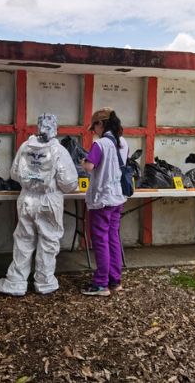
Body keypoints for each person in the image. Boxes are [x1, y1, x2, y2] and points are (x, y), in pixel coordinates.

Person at [0, 113, 79, 296]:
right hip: (49, 200)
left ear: (37, 126)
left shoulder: (25, 147)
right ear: (55, 128)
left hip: (27, 199)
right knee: (48, 241)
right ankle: (45, 282)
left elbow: (15, 173)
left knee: (24, 240)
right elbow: (69, 182)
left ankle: (16, 283)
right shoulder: (58, 151)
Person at [80, 108, 128, 296]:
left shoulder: (100, 145)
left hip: (102, 200)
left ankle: (101, 284)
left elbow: (90, 167)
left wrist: (83, 161)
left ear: (101, 124)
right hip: (118, 198)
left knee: (100, 240)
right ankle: (115, 281)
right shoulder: (123, 143)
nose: (94, 132)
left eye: (95, 128)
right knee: (113, 238)